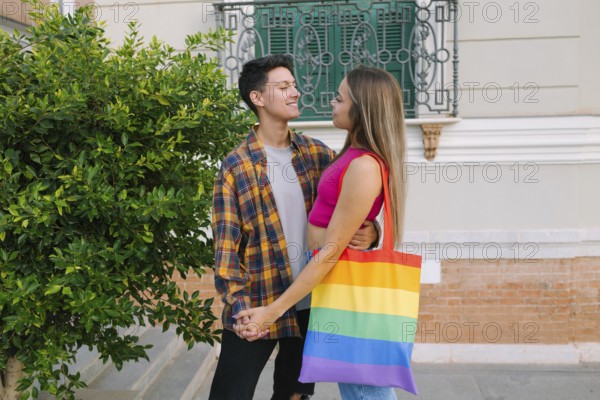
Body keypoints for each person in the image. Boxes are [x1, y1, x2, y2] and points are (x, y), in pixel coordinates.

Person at [209, 55, 379, 400]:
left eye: (294, 85)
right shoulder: (235, 167)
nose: (295, 92)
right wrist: (243, 312)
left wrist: (371, 230)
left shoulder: (317, 155)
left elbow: (349, 209)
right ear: (257, 98)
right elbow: (226, 253)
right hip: (258, 302)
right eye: (283, 86)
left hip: (309, 304)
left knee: (295, 395)